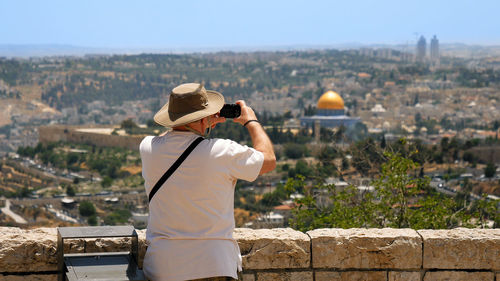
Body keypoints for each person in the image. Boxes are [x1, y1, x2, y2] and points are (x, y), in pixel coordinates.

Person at [140, 83, 276, 281]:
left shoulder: (147, 148)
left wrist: (199, 121)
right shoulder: (222, 152)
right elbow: (268, 160)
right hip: (212, 266)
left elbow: (170, 138)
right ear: (205, 117)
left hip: (162, 267)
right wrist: (251, 122)